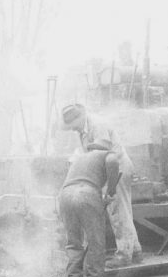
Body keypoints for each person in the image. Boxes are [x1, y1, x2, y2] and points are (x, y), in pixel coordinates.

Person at [60, 103, 143, 265]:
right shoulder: (83, 130)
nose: (72, 129)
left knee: (118, 212)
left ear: (80, 117)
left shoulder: (97, 124)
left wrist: (82, 155)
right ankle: (136, 252)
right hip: (107, 170)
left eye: (73, 125)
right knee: (122, 211)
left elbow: (103, 147)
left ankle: (124, 256)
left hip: (117, 168)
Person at [58, 141, 121, 277]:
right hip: (87, 193)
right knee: (96, 242)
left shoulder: (79, 158)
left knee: (73, 242)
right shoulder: (106, 154)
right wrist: (111, 192)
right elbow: (113, 162)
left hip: (65, 195)